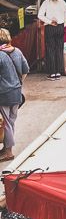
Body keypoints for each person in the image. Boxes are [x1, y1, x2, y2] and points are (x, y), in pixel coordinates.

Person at [0, 30, 28, 160]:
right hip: (16, 92)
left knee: (6, 123)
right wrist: (18, 83)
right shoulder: (17, 51)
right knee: (11, 121)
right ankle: (6, 148)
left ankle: (8, 151)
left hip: (4, 93)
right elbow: (25, 69)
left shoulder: (0, 55)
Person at [38, 0, 66, 79]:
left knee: (50, 49)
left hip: (50, 27)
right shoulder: (63, 2)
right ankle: (59, 71)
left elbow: (40, 15)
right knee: (59, 49)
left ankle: (52, 72)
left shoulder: (46, 2)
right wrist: (63, 25)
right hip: (60, 27)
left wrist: (49, 21)